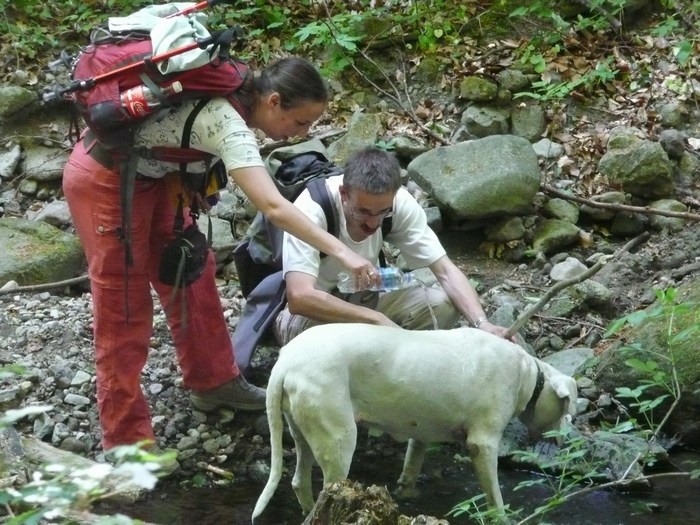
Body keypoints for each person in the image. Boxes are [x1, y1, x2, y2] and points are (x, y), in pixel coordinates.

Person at [62, 57, 377, 452]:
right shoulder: (225, 121)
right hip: (106, 178)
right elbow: (274, 207)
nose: (303, 134)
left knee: (191, 271)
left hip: (157, 176)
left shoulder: (240, 88)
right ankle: (125, 440)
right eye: (301, 123)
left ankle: (215, 383)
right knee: (123, 307)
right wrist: (343, 252)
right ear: (274, 101)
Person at [274, 146, 512, 346]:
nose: (373, 222)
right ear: (344, 194)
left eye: (382, 212)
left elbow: (445, 271)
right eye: (363, 211)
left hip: (365, 299)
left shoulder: (399, 203)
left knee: (442, 305)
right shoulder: (312, 209)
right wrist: (374, 320)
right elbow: (300, 297)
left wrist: (482, 324)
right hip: (313, 315)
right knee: (343, 344)